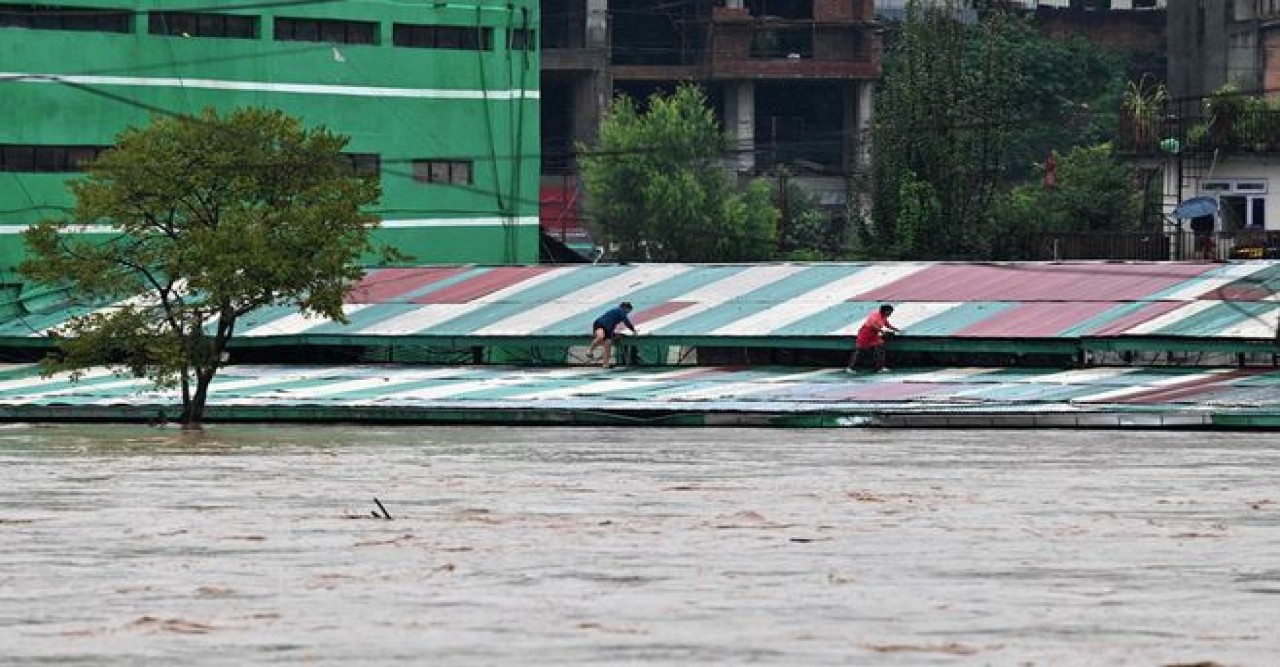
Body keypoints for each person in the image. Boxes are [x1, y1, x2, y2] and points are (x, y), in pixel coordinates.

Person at [846, 304, 901, 373]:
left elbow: (887, 324)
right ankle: (850, 367)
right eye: (890, 312)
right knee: (860, 351)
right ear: (885, 311)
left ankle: (879, 367)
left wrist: (895, 329)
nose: (890, 313)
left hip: (874, 335)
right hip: (865, 333)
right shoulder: (875, 315)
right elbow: (872, 325)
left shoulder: (884, 316)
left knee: (880, 348)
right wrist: (882, 331)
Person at [587, 302, 637, 368]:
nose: (628, 313)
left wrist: (613, 334)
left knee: (608, 344)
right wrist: (633, 330)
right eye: (629, 311)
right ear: (626, 308)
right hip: (600, 324)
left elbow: (613, 323)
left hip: (609, 328)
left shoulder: (619, 312)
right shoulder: (620, 311)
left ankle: (605, 363)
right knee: (600, 336)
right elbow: (626, 321)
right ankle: (589, 350)